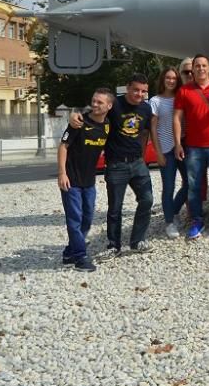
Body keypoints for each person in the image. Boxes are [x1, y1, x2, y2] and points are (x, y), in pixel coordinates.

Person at [68, 74, 157, 258]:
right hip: (116, 164)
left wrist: (142, 154)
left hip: (138, 163)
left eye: (143, 91)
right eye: (135, 90)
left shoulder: (146, 109)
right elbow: (95, 112)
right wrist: (75, 116)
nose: (139, 94)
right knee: (115, 208)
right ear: (127, 88)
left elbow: (145, 132)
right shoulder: (114, 104)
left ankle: (137, 240)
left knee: (147, 200)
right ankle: (113, 245)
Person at [174, 55, 209, 239]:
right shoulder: (184, 90)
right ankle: (196, 220)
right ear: (193, 70)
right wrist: (177, 143)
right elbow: (177, 118)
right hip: (194, 147)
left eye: (204, 65)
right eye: (197, 66)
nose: (200, 69)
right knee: (194, 186)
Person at [57, 88, 113, 272]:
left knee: (87, 219)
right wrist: (61, 173)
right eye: (94, 101)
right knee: (74, 219)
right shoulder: (79, 122)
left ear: (109, 106)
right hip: (71, 180)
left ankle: (69, 252)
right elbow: (63, 146)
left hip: (89, 182)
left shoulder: (107, 125)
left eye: (100, 102)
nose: (95, 105)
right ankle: (80, 258)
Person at [150, 68, 188, 239]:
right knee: (169, 187)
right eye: (168, 78)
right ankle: (169, 222)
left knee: (190, 183)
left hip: (182, 147)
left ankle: (173, 210)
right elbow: (153, 128)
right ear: (162, 80)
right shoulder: (155, 101)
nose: (171, 81)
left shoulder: (182, 97)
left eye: (174, 78)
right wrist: (157, 153)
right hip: (165, 149)